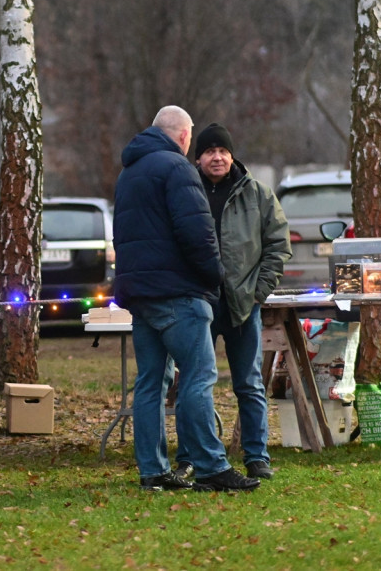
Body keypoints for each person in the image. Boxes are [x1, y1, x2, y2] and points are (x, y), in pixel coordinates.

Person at [112, 106, 259, 493]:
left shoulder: (129, 172)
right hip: (178, 292)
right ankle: (211, 467)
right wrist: (214, 279)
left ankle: (153, 471)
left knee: (150, 383)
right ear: (183, 136)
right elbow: (197, 233)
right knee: (198, 377)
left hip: (140, 295)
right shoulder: (178, 169)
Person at [170, 124, 290, 482]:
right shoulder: (184, 192)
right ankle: (188, 458)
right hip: (197, 308)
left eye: (223, 150)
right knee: (193, 385)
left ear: (232, 155)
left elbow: (278, 244)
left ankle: (257, 456)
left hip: (242, 306)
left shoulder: (258, 194)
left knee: (250, 384)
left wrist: (258, 291)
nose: (217, 157)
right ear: (198, 158)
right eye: (209, 151)